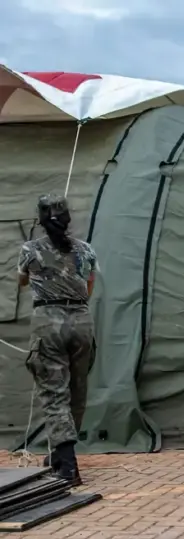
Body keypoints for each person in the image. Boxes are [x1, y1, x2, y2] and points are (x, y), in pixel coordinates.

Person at [17, 194, 98, 486]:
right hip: (81, 321)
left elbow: (23, 279)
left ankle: (67, 464)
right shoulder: (85, 250)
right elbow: (89, 286)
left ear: (40, 219)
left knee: (54, 392)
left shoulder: (31, 249)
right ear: (67, 219)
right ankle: (59, 454)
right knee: (77, 390)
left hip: (48, 322)